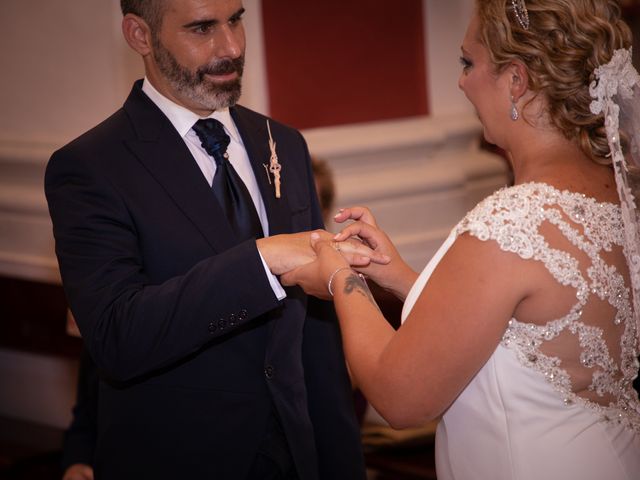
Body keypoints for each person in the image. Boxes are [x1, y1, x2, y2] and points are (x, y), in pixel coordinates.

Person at [282, 0, 640, 478]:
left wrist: (339, 279)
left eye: (468, 63)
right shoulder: (615, 194)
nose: (461, 82)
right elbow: (528, 330)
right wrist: (401, 278)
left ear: (516, 80)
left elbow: (399, 397)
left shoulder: (515, 221)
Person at [45, 0, 381, 478]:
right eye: (202, 28)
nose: (231, 46)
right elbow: (118, 337)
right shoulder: (92, 167)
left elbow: (315, 339)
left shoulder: (283, 143)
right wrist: (261, 259)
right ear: (140, 35)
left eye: (236, 20)